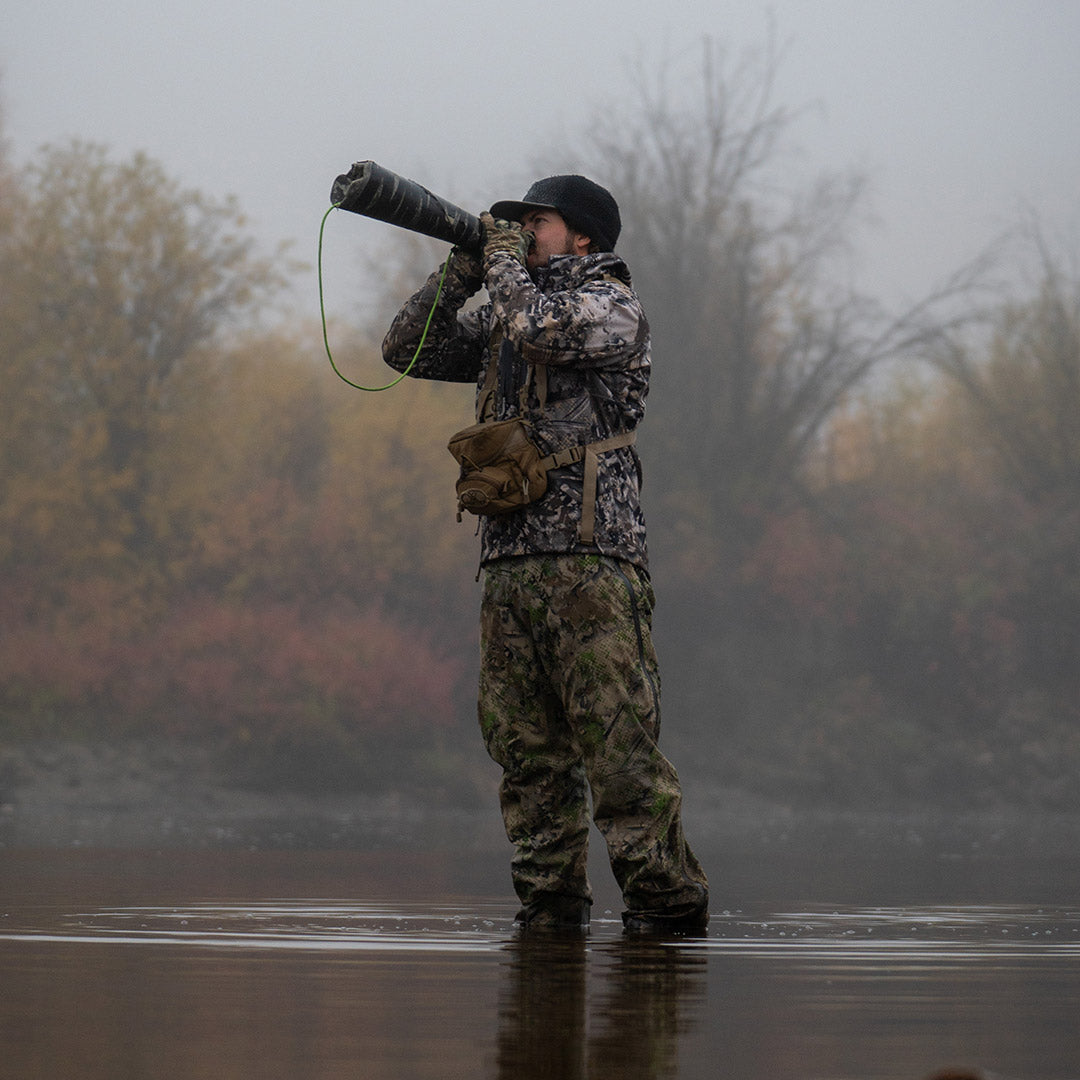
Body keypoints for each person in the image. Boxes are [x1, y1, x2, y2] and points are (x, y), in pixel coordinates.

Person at [382, 173, 708, 932]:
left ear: (583, 235)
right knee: (526, 755)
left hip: (592, 561)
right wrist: (463, 268)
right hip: (509, 563)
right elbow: (406, 349)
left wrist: (500, 262)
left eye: (539, 221)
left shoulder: (611, 305)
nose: (523, 231)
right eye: (517, 222)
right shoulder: (508, 307)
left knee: (619, 749)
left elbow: (536, 327)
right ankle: (550, 914)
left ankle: (665, 910)